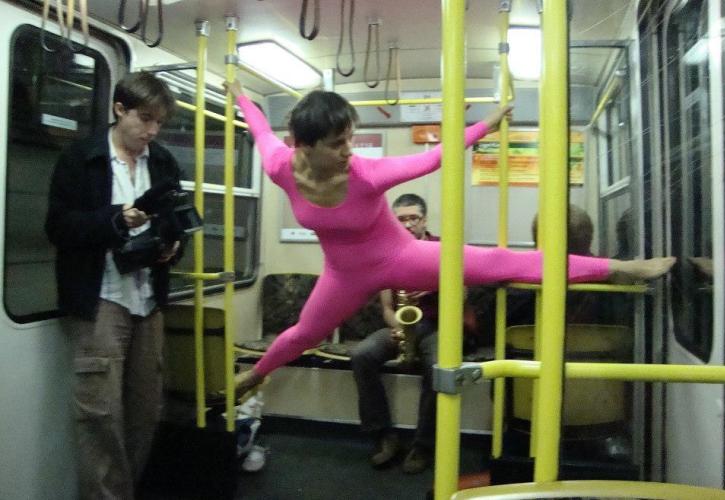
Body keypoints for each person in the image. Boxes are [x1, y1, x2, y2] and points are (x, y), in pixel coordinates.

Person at [222, 79, 675, 397]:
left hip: (401, 257)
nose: (348, 151)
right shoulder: (279, 167)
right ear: (303, 145)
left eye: (351, 139)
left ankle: (621, 267)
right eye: (337, 143)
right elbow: (260, 130)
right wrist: (241, 95)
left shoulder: (367, 174)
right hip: (344, 275)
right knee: (305, 332)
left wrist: (485, 125)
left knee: (503, 261)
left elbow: (437, 157)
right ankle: (256, 375)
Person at [46, 72, 182, 500]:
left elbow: (176, 222)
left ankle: (124, 493)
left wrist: (172, 247)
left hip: (147, 299)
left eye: (159, 122)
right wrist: (114, 220)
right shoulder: (81, 159)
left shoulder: (162, 162)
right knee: (100, 415)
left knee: (146, 412)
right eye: (145, 119)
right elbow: (58, 227)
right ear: (120, 109)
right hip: (102, 297)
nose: (152, 131)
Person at [351, 193, 476, 474]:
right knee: (361, 355)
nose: (408, 224)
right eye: (401, 219)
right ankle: (383, 435)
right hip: (403, 325)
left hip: (439, 326)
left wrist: (435, 286)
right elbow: (387, 307)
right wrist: (398, 327)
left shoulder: (444, 248)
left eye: (414, 218)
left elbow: (463, 295)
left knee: (437, 367)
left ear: (425, 220)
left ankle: (423, 445)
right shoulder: (386, 252)